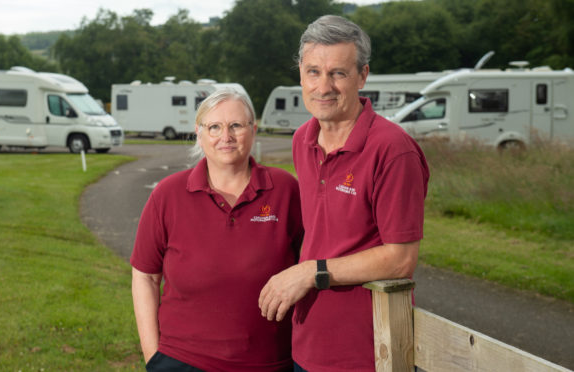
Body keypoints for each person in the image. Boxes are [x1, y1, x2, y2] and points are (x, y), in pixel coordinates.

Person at [258, 15, 430, 372]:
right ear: (301, 75)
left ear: (362, 76)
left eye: (338, 73)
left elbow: (401, 259)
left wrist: (310, 272)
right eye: (313, 72)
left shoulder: (393, 150)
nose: (324, 86)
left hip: (370, 353)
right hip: (307, 346)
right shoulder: (302, 139)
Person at [131, 88, 304, 372]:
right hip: (182, 362)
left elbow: (310, 263)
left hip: (270, 363)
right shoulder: (168, 194)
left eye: (236, 125)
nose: (226, 137)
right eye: (214, 127)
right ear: (199, 133)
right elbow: (146, 277)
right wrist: (153, 358)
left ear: (253, 129)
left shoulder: (285, 189)